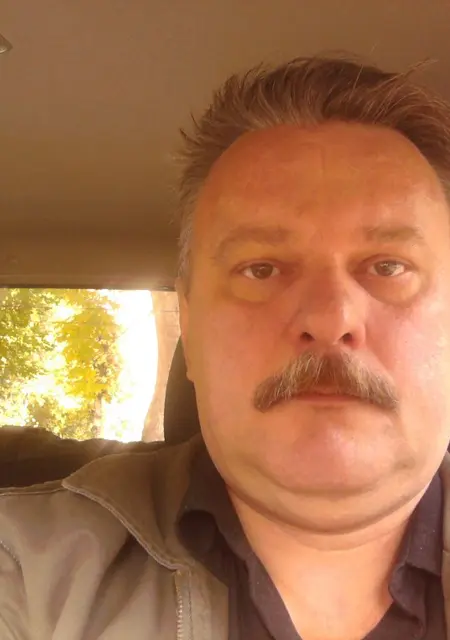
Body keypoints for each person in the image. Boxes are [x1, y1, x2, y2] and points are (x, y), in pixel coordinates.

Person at [2, 55, 450, 640]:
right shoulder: (27, 572)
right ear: (189, 324)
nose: (330, 317)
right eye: (261, 269)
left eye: (388, 266)